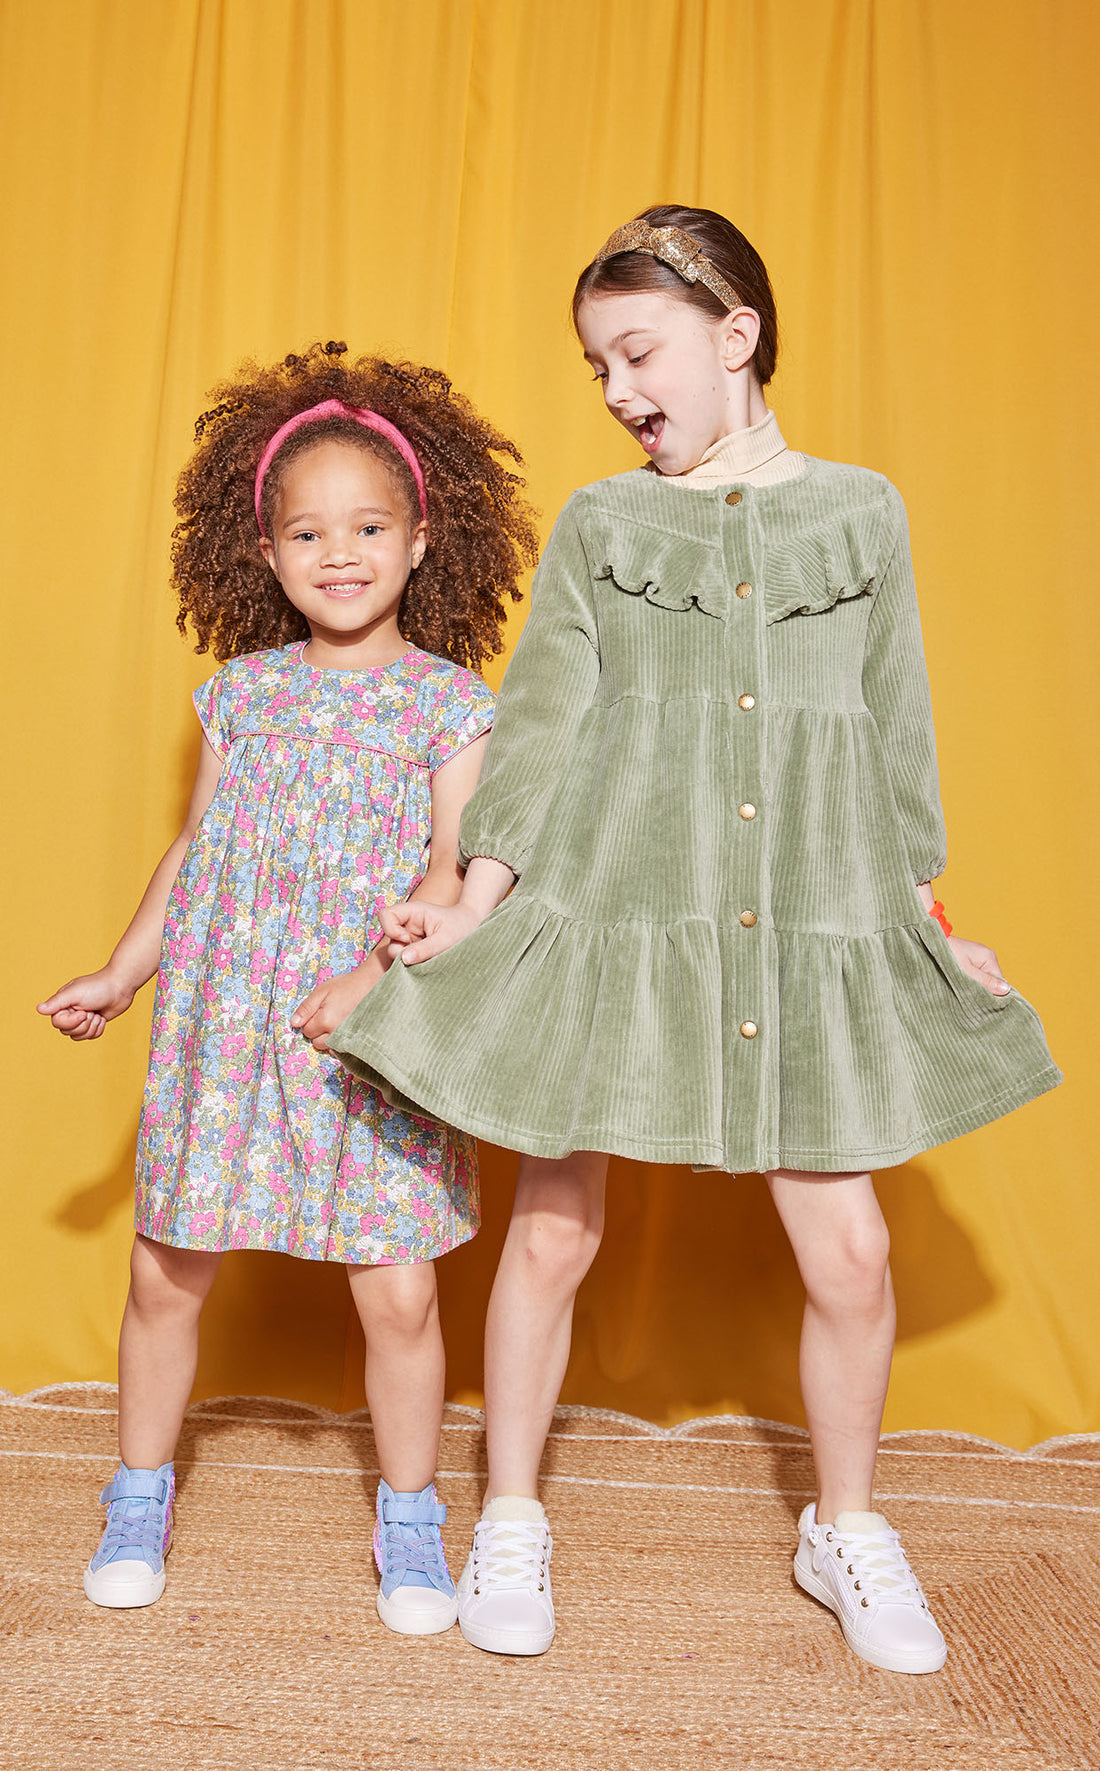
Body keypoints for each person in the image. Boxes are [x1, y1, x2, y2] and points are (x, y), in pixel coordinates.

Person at [327, 209, 1062, 1674]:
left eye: (638, 351)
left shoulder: (864, 513)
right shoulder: (606, 527)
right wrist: (475, 894)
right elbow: (545, 722)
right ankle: (513, 1511)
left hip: (805, 913)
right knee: (553, 1227)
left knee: (849, 1249)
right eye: (597, 362)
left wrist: (927, 917)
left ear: (736, 336)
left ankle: (843, 1526)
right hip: (618, 909)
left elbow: (894, 726)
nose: (615, 388)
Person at [37, 341, 537, 1633]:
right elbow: (195, 852)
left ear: (423, 540)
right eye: (308, 532)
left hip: (368, 1032)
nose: (341, 552)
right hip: (226, 1016)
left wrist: (366, 976)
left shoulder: (448, 706)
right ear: (263, 555)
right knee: (165, 1271)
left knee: (400, 1289)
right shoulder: (240, 697)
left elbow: (453, 867)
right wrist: (123, 970)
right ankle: (139, 1492)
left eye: (369, 526)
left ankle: (412, 1519)